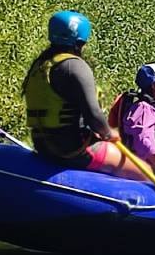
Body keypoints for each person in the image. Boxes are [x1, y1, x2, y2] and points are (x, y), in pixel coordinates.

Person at [23, 10, 142, 180]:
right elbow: (93, 116)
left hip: (43, 145)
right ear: (81, 39)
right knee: (142, 172)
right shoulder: (75, 66)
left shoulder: (41, 65)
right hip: (73, 149)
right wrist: (108, 133)